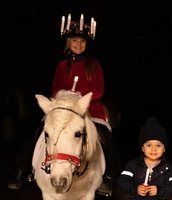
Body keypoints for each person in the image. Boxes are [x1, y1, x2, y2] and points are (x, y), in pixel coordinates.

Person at [34, 14, 120, 196]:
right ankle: (24, 169)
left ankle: (109, 177)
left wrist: (79, 99)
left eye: (82, 41)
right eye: (74, 40)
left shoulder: (94, 65)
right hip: (63, 110)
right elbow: (56, 89)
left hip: (90, 110)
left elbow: (99, 89)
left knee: (107, 138)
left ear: (87, 44)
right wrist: (65, 98)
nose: (78, 44)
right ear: (68, 42)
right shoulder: (61, 66)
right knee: (39, 132)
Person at [117, 116, 172, 200]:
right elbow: (122, 181)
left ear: (164, 148)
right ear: (142, 148)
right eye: (149, 145)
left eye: (158, 145)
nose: (153, 149)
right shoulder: (133, 165)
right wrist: (135, 189)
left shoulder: (169, 168)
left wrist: (159, 191)